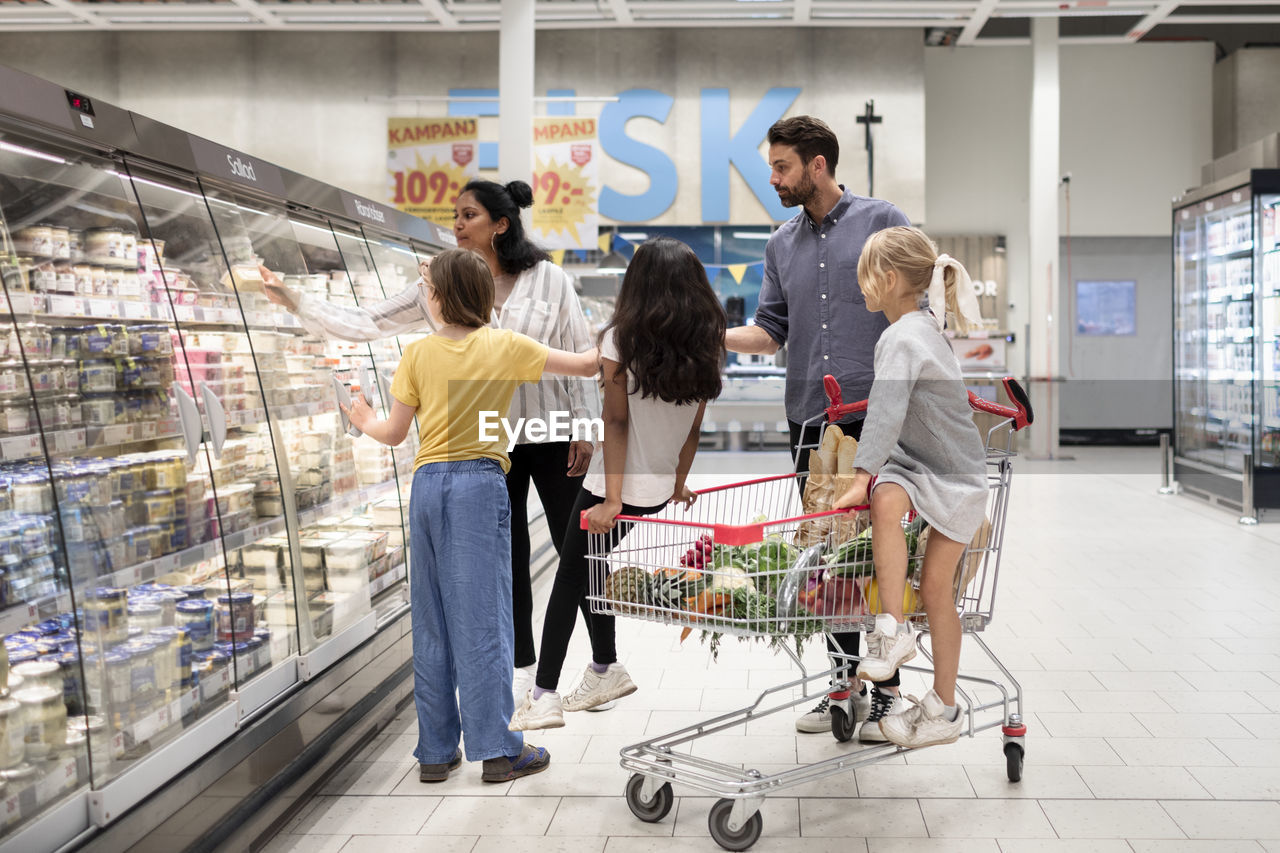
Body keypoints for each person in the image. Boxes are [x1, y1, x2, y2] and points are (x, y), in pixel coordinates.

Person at [260, 179, 600, 703]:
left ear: (500, 224)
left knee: (576, 548)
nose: (457, 226)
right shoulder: (439, 286)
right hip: (492, 442)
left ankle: (603, 662)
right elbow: (369, 321)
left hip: (552, 431)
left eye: (468, 216)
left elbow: (579, 352)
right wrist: (296, 299)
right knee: (505, 559)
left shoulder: (547, 279)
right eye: (456, 216)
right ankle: (520, 671)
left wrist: (586, 426)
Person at [341, 247, 599, 782]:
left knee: (432, 619)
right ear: (484, 297)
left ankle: (435, 752)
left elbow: (392, 434)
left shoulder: (417, 353)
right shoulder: (504, 345)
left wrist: (362, 415)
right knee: (484, 620)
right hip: (480, 486)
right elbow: (587, 364)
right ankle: (498, 750)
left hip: (427, 486)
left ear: (435, 299)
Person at [724, 115, 911, 742]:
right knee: (828, 557)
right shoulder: (780, 244)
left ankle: (886, 690)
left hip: (876, 417)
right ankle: (843, 680)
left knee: (880, 556)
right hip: (811, 420)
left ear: (818, 165)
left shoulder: (882, 223)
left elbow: (918, 313)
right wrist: (707, 336)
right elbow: (769, 331)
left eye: (781, 167)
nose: (773, 178)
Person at [509, 237, 726, 731]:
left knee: (569, 579)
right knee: (589, 570)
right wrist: (676, 483)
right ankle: (605, 666)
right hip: (653, 489)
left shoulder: (619, 340)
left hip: (618, 485)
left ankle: (544, 695)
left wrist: (610, 497)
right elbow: (694, 426)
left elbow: (617, 422)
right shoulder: (707, 337)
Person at [832, 226, 987, 748]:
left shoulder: (901, 337)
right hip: (923, 467)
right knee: (889, 500)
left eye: (864, 275)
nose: (860, 286)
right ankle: (893, 630)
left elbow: (887, 409)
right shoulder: (922, 327)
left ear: (890, 278)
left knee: (937, 587)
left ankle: (938, 700)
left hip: (952, 477)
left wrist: (859, 475)